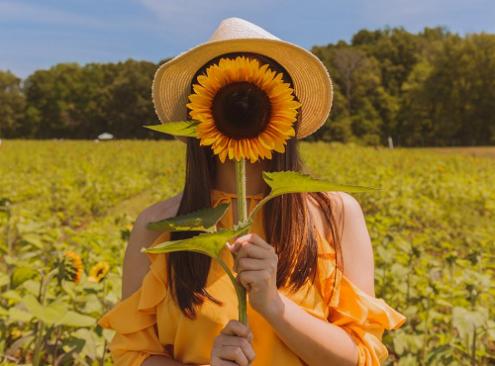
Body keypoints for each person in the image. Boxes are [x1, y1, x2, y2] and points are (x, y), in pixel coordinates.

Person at [98, 17, 406, 366]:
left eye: (254, 96)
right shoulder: (158, 226)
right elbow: (134, 356)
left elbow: (362, 357)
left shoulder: (334, 214)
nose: (241, 106)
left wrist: (275, 306)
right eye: (230, 96)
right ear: (199, 113)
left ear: (284, 110)